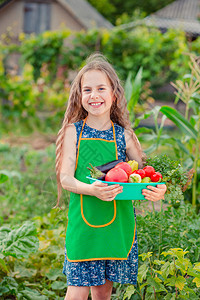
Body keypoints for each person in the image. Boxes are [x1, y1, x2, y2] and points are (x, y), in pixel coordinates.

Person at [55, 53, 167, 300]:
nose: (94, 95)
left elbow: (146, 176)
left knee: (103, 292)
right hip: (84, 225)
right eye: (87, 90)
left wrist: (159, 189)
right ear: (79, 96)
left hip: (117, 225)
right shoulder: (73, 132)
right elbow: (65, 178)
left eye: (101, 88)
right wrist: (94, 189)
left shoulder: (125, 136)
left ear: (114, 94)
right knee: (76, 293)